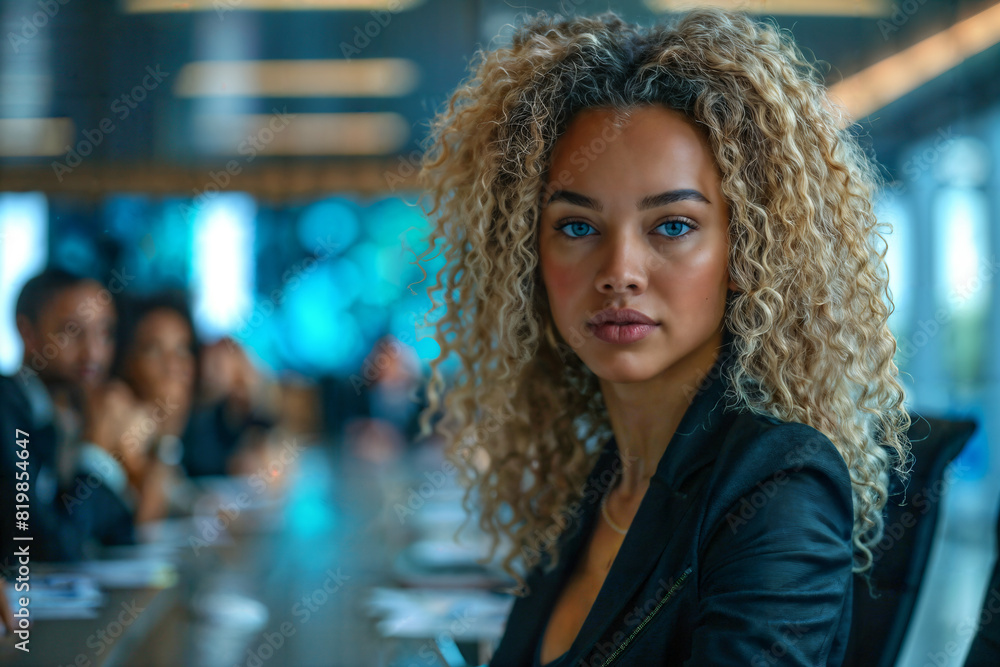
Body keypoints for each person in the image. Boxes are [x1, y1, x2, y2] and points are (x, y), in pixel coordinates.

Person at [415, 8, 912, 666]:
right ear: (527, 258)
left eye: (673, 225)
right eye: (576, 226)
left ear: (745, 253)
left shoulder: (779, 488)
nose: (619, 272)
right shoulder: (601, 484)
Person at [0, 268, 139, 565]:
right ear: (28, 333)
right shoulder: (7, 409)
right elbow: (53, 550)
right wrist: (98, 450)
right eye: (71, 332)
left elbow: (119, 533)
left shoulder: (69, 414)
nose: (93, 354)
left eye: (105, 334)